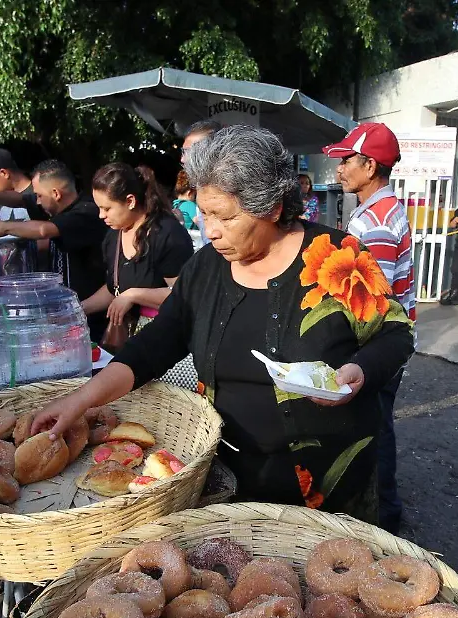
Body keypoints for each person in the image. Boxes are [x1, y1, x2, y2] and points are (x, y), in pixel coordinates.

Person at [30, 125, 414, 519]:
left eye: (225, 217)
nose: (210, 231)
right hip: (229, 479)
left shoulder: (339, 257)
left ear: (274, 208)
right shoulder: (207, 268)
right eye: (205, 213)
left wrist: (359, 370)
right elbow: (154, 345)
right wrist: (80, 400)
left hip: (328, 485)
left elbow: (395, 333)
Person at [324, 121, 415, 535]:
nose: (340, 170)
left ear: (370, 165)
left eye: (347, 160)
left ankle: (383, 522)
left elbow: (372, 302)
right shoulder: (378, 212)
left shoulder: (375, 223)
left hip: (378, 347)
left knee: (374, 434)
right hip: (385, 346)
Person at [79, 164, 196, 386]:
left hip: (168, 345)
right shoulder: (114, 236)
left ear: (130, 201)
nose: (101, 215)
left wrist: (134, 295)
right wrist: (78, 309)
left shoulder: (167, 234)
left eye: (107, 208)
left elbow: (185, 296)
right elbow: (114, 287)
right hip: (130, 344)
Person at [0, 159, 110, 340]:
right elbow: (23, 199)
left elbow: (43, 230)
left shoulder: (86, 213)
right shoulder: (56, 209)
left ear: (55, 193)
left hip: (91, 318)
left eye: (39, 195)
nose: (37, 202)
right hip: (67, 316)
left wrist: (5, 227)